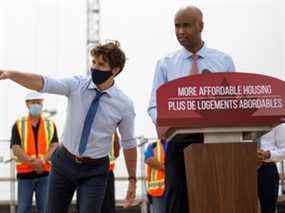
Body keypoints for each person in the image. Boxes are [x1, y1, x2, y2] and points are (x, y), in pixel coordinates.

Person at [0, 41, 137, 213]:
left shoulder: (124, 104)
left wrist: (132, 179)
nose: (94, 67)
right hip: (64, 161)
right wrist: (12, 74)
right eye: (93, 62)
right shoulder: (77, 85)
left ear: (115, 70)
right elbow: (44, 83)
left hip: (95, 170)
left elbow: (129, 142)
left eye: (101, 64)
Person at [147, 5, 236, 213]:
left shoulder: (223, 61)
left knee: (215, 200)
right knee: (178, 202)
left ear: (201, 26)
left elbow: (234, 103)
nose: (180, 31)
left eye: (186, 25)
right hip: (178, 143)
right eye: (177, 26)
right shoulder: (165, 64)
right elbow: (154, 104)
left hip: (216, 143)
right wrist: (167, 125)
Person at [10, 92, 59, 213]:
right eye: (33, 102)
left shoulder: (50, 124)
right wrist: (33, 163)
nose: (36, 105)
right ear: (27, 104)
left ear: (42, 103)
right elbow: (16, 147)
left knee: (46, 209)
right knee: (23, 209)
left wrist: (43, 160)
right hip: (25, 174)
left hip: (45, 174)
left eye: (39, 102)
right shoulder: (19, 124)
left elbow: (54, 146)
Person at [257, 123, 285, 213]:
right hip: (239, 166)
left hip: (266, 169)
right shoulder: (238, 113)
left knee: (268, 209)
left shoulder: (277, 119)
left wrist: (269, 154)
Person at [144, 139, 166, 213]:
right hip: (158, 191)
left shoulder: (175, 143)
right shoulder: (154, 145)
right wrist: (166, 169)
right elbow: (149, 160)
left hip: (173, 188)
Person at [101, 132, 120, 213]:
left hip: (92, 172)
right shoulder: (113, 131)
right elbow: (117, 152)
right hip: (108, 172)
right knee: (108, 207)